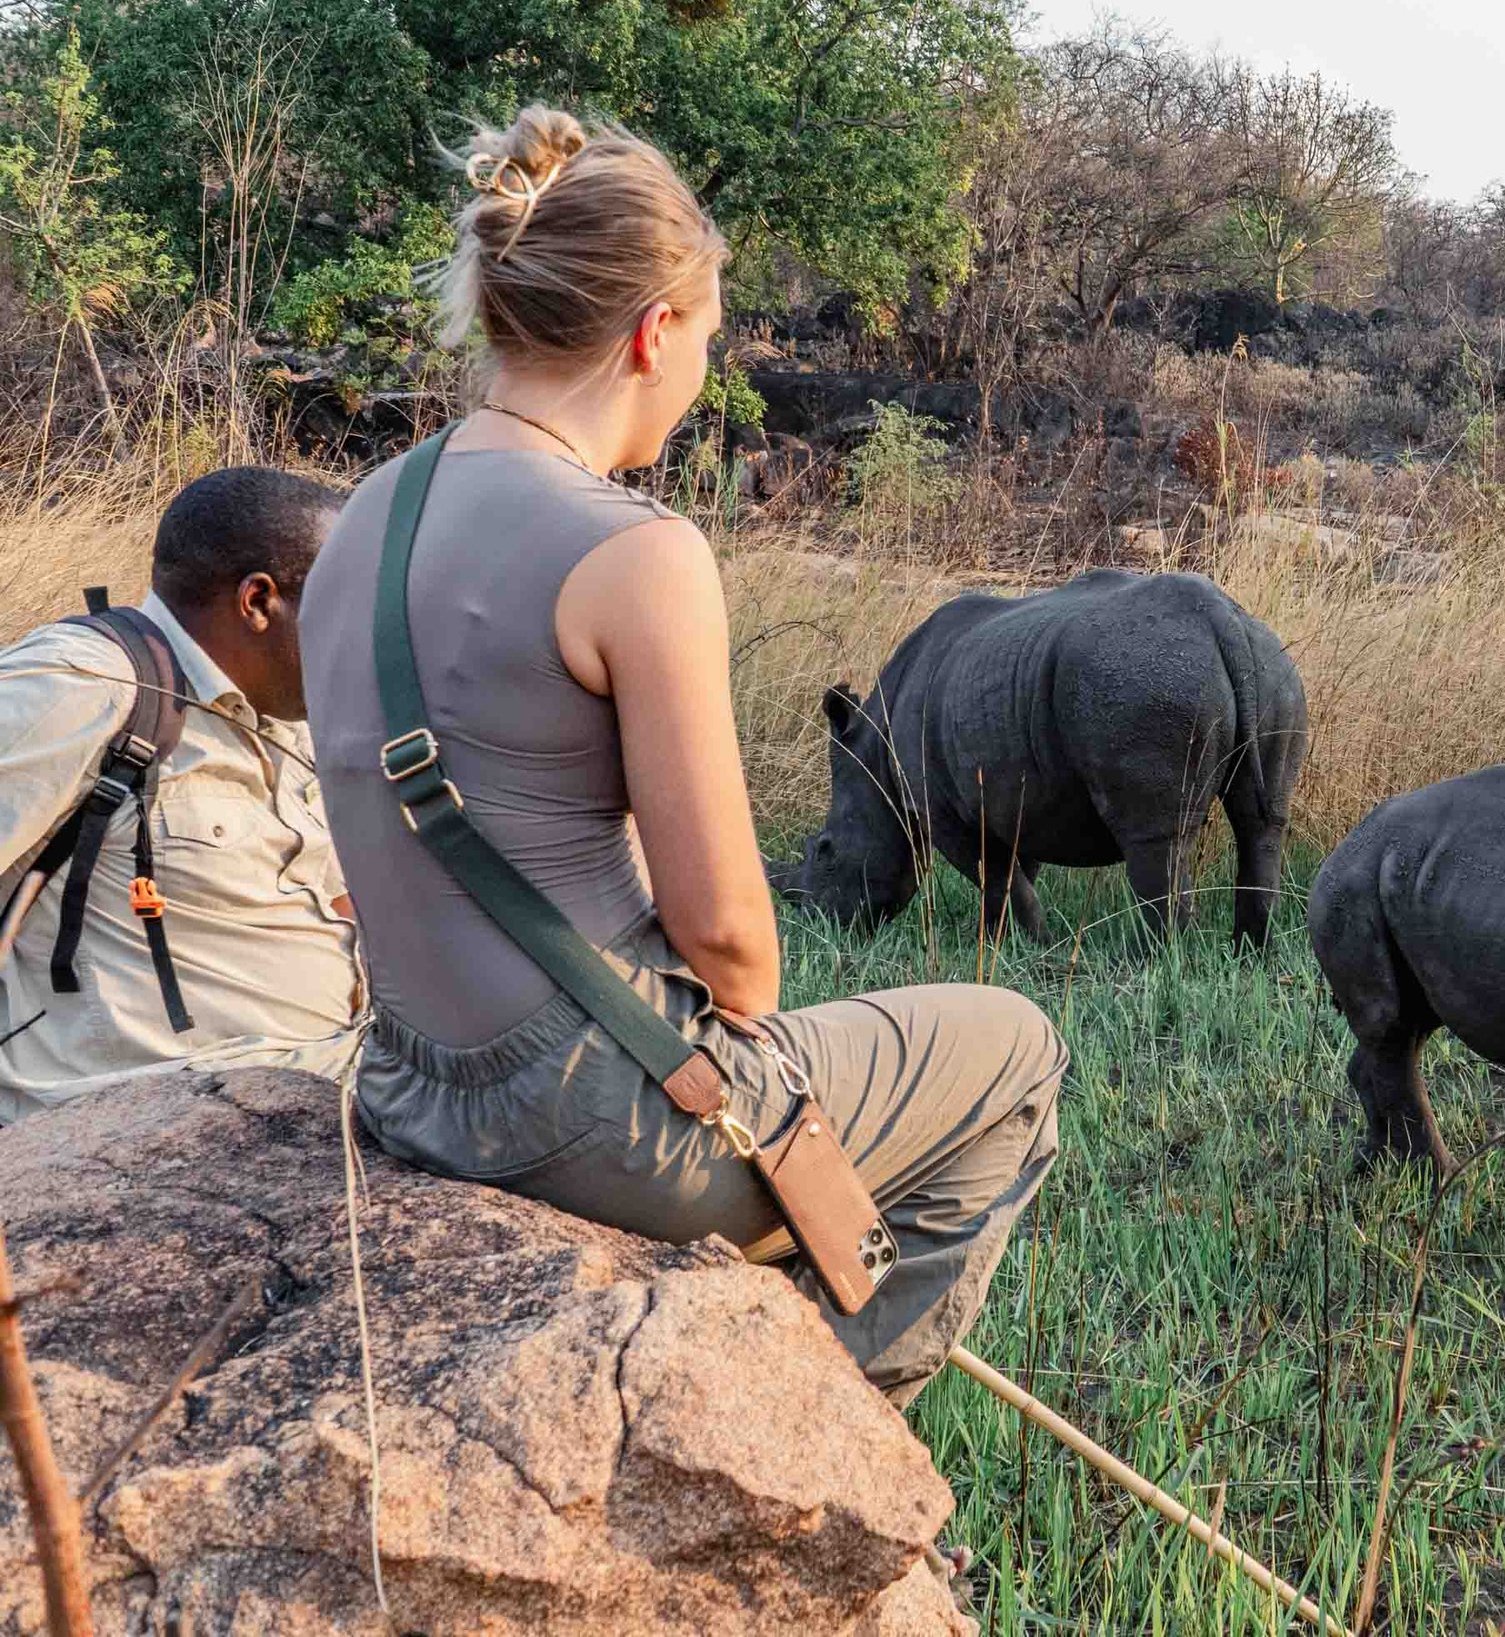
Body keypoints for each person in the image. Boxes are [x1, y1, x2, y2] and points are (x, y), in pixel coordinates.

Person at [299, 106, 1065, 1406]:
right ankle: (809, 1413)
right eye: (711, 338)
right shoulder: (637, 552)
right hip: (593, 1124)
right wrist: (737, 1082)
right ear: (656, 330)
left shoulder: (362, 512)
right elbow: (733, 946)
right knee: (1019, 1048)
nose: (707, 368)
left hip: (407, 1086)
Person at [0, 469, 364, 1121]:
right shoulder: (80, 686)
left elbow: (338, 901)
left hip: (327, 1087)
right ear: (258, 601)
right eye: (344, 608)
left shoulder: (286, 714)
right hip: (148, 1128)